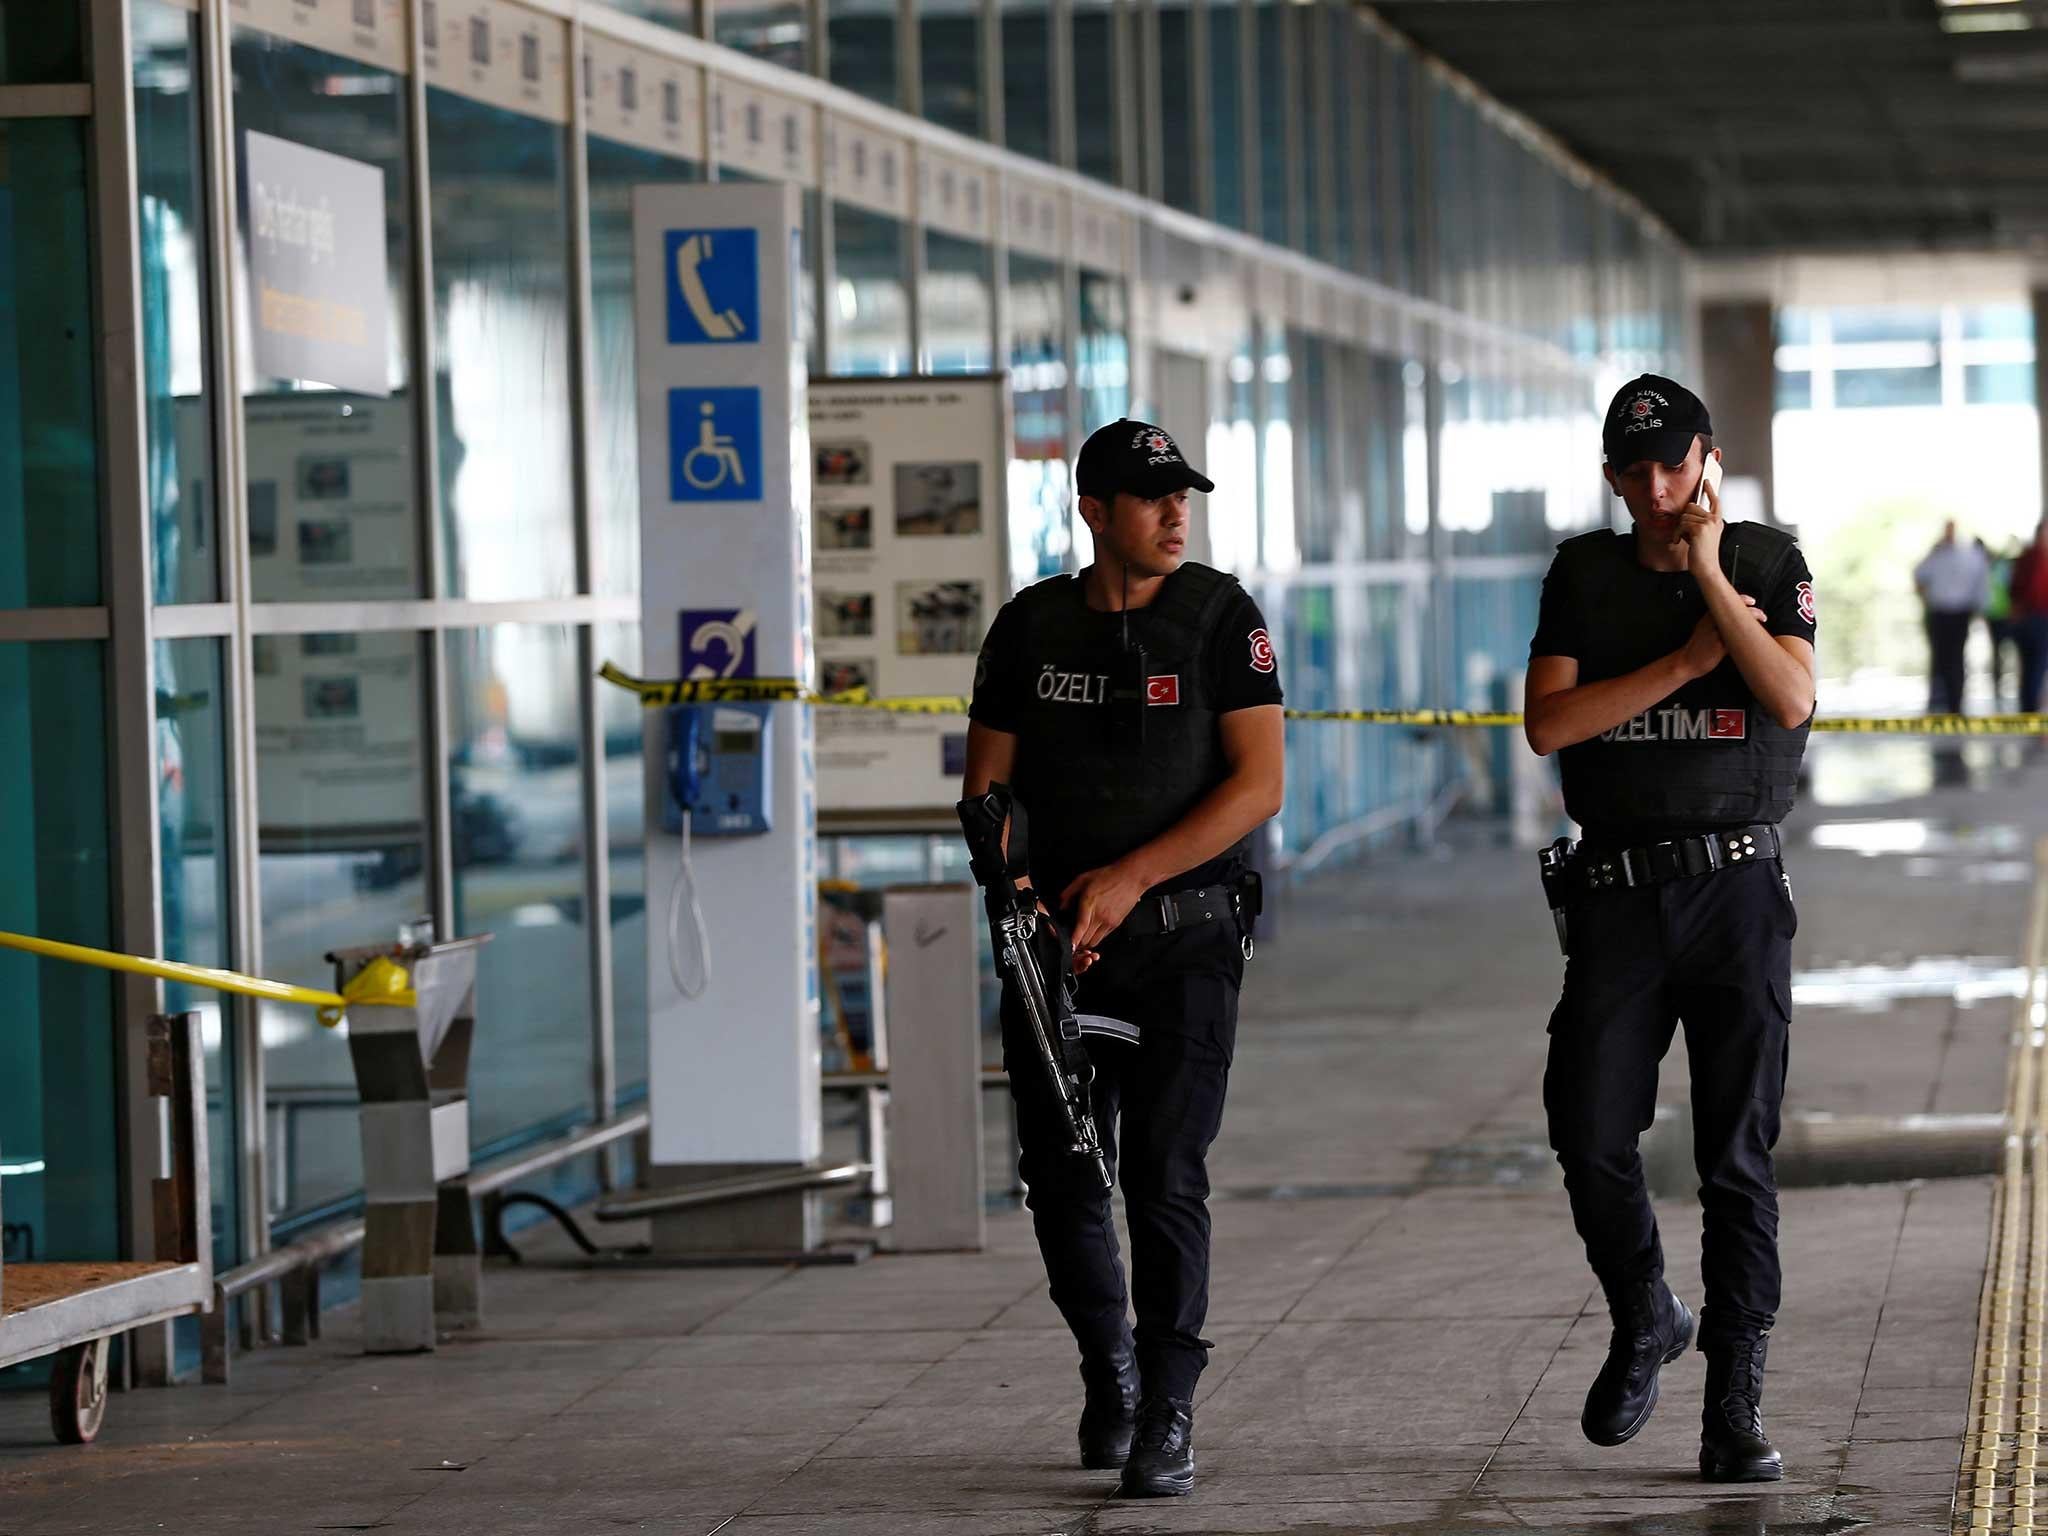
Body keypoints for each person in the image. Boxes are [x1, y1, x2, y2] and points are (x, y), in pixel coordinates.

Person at [962, 419, 1285, 1499]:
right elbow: (986, 792)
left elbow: (1255, 786)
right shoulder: (1028, 629)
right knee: (1059, 1177)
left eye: (1180, 496)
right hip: (1055, 951)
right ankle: (1109, 1371)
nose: (1172, 515)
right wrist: (1016, 892)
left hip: (1186, 937)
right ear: (1091, 511)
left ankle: (1170, 1405)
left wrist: (1132, 877)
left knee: (1162, 1172)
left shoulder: (1219, 619)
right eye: (1149, 499)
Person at [1525, 375, 1818, 1485]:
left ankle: (1732, 1398)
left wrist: (1705, 573)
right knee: (1587, 1131)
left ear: (1707, 456)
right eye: (1631, 472)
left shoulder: (1766, 563)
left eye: (1671, 465)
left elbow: (1788, 700)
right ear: (1611, 477)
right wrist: (1685, 665)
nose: (1654, 488)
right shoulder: (1583, 575)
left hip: (1735, 890)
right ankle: (1645, 1308)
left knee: (1733, 1157)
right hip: (1615, 895)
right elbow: (1549, 723)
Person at [1913, 521, 1989, 714]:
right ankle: (1942, 701)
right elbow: (1918, 575)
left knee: (1954, 659)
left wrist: (1977, 607)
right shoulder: (1937, 554)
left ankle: (1955, 702)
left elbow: (1980, 583)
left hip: (1959, 613)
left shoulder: (1969, 556)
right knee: (1942, 659)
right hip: (1940, 612)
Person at [2012, 518, 2048, 717]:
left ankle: (2029, 711)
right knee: (2033, 668)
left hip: (2035, 618)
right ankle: (2029, 712)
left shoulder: (2028, 557)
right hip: (2034, 619)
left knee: (2034, 668)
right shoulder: (2033, 558)